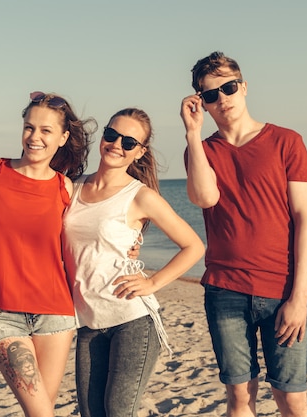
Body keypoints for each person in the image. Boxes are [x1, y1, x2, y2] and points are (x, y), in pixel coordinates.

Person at [179, 51, 307, 417]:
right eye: (211, 94)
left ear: (244, 87)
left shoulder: (287, 141)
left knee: (292, 399)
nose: (222, 98)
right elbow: (204, 197)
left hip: (282, 290)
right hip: (225, 290)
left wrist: (299, 299)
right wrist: (192, 133)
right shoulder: (201, 150)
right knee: (239, 399)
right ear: (202, 103)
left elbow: (305, 221)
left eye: (229, 87)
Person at [61, 108, 205, 417]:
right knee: (90, 412)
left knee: (118, 411)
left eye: (129, 142)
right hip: (88, 321)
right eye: (112, 135)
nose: (116, 145)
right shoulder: (71, 187)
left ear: (140, 152)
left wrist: (152, 282)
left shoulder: (140, 196)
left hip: (132, 319)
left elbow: (193, 246)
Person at [0, 92, 95, 417]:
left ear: (63, 137)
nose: (34, 137)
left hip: (56, 313)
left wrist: (132, 245)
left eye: (46, 131)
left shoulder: (65, 188)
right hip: (2, 310)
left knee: (40, 411)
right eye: (29, 127)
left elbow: (86, 240)